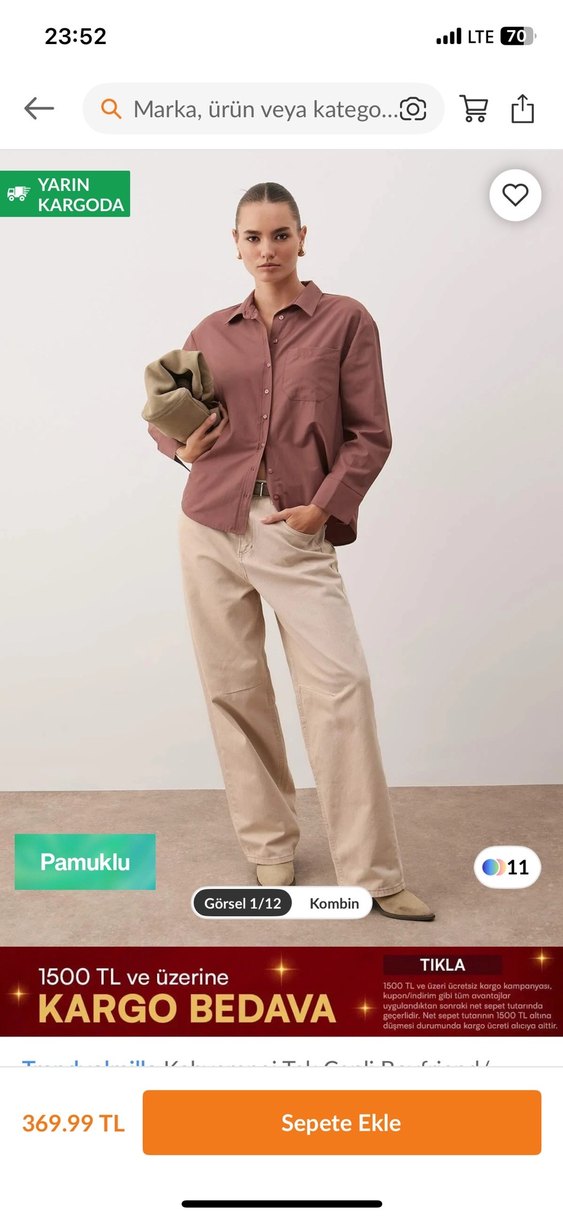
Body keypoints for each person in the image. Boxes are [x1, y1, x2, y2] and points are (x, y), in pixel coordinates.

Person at [148, 181, 434, 921]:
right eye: (253, 237)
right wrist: (180, 446)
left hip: (293, 528)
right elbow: (168, 411)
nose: (267, 249)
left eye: (280, 235)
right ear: (235, 244)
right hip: (209, 525)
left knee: (340, 688)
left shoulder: (346, 321)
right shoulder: (212, 329)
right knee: (233, 688)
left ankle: (372, 872)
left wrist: (323, 509)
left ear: (303, 238)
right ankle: (269, 844)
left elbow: (370, 434)